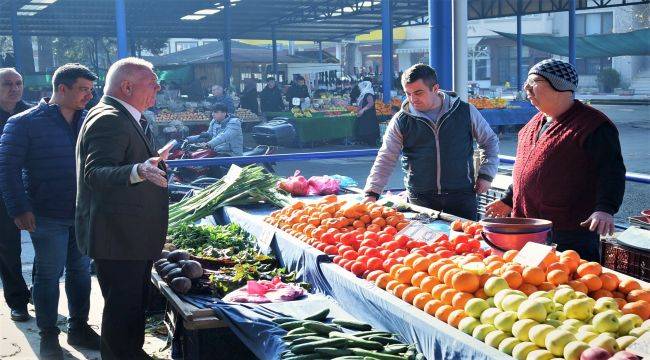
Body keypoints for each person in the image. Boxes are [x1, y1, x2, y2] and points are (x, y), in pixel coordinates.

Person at [0, 63, 99, 359]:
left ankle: (79, 327)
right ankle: (48, 336)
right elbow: (7, 170)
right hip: (46, 213)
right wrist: (19, 207)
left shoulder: (90, 120)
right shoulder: (24, 122)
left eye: (91, 90)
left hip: (82, 212)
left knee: (81, 272)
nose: (88, 96)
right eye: (83, 89)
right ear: (62, 88)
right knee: (48, 274)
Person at [486, 59, 626, 261]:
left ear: (560, 86)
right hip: (527, 225)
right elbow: (525, 168)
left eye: (534, 82)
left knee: (572, 284)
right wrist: (509, 199)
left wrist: (605, 209)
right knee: (529, 283)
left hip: (569, 231)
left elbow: (611, 172)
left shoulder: (593, 126)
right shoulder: (535, 122)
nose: (526, 88)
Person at [75, 57, 167, 360]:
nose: (158, 87)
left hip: (129, 237)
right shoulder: (109, 118)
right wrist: (138, 170)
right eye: (152, 83)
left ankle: (130, 352)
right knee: (121, 311)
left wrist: (150, 164)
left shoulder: (126, 115)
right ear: (127, 86)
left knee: (130, 308)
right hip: (118, 238)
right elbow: (96, 173)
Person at [363, 64, 499, 220]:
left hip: (462, 197)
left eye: (419, 93)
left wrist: (487, 174)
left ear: (435, 89)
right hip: (420, 199)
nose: (413, 99)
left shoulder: (466, 111)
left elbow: (489, 141)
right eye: (408, 94)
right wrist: (372, 192)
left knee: (464, 242)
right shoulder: (401, 120)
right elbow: (386, 157)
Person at [0, 67, 31, 324]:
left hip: (35, 190)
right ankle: (17, 300)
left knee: (48, 247)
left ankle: (40, 292)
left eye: (18, 83)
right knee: (8, 250)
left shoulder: (33, 114)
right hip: (2, 194)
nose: (14, 88)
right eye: (7, 83)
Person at [354, 80, 380, 146]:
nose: (360, 88)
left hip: (369, 115)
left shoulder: (368, 94)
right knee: (365, 129)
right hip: (365, 115)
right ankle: (367, 142)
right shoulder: (364, 94)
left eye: (362, 87)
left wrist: (363, 110)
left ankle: (371, 143)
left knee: (369, 129)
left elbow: (371, 103)